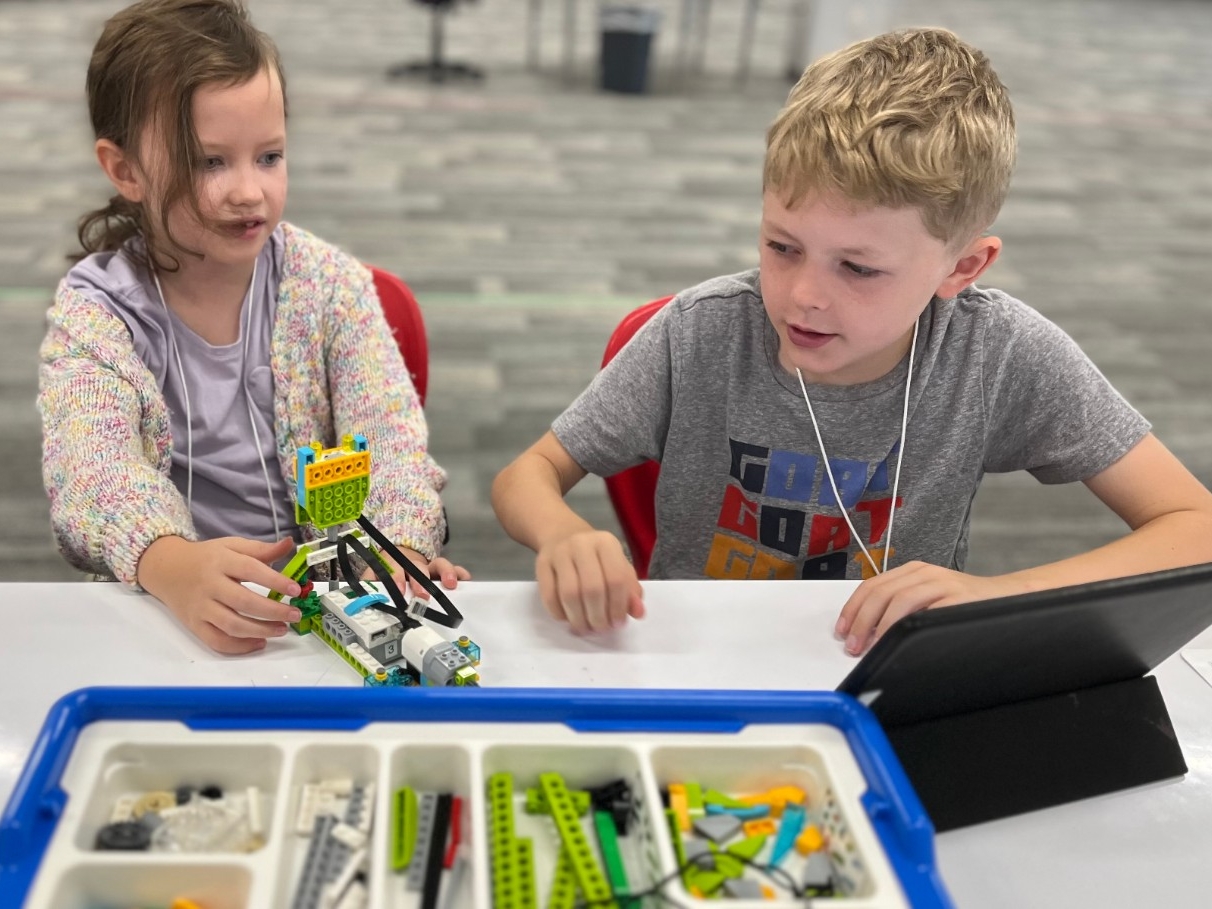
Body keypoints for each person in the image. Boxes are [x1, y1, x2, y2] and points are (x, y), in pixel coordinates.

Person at [492, 27, 1212, 653]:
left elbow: (1194, 524)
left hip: (884, 669)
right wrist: (561, 533)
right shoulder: (702, 331)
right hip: (699, 655)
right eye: (781, 246)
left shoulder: (995, 355)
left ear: (962, 267)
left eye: (859, 268)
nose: (804, 294)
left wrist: (1002, 592)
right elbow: (527, 474)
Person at [39, 0, 467, 655]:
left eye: (269, 156)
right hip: (167, 616)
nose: (250, 191)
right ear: (125, 170)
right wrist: (174, 564)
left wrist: (400, 544)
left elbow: (393, 445)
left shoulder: (329, 287)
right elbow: (91, 473)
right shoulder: (96, 309)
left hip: (327, 622)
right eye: (211, 162)